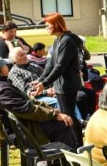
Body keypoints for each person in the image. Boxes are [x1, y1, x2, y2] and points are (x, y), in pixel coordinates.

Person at [0, 56, 75, 148]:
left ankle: (55, 160)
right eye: (6, 65)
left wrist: (53, 111)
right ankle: (62, 161)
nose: (8, 66)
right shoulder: (2, 90)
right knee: (63, 124)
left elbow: (27, 101)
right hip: (21, 132)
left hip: (19, 127)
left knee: (59, 118)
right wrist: (54, 115)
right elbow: (26, 109)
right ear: (3, 70)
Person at [31, 13, 85, 148]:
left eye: (48, 25)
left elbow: (61, 66)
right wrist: (41, 80)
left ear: (56, 25)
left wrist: (44, 83)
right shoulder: (57, 40)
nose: (46, 28)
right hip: (60, 85)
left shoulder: (67, 41)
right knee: (67, 114)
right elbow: (51, 64)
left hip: (68, 85)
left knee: (69, 115)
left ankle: (78, 146)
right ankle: (75, 144)